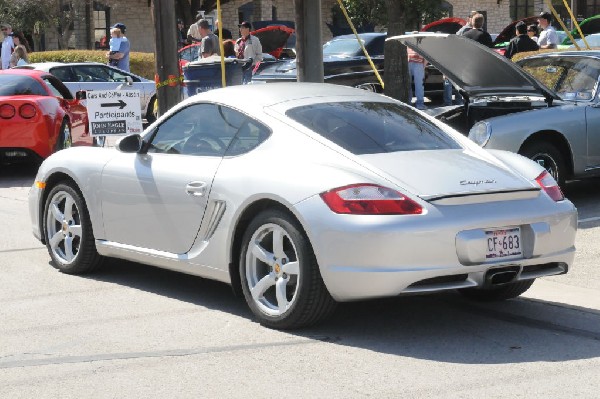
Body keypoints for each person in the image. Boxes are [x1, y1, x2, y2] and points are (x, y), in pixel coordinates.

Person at [407, 36, 426, 110]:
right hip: (418, 63)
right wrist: (423, 66)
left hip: (409, 62)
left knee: (408, 84)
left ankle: (408, 102)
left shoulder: (409, 43)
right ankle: (420, 104)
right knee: (419, 85)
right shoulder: (422, 44)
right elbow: (425, 56)